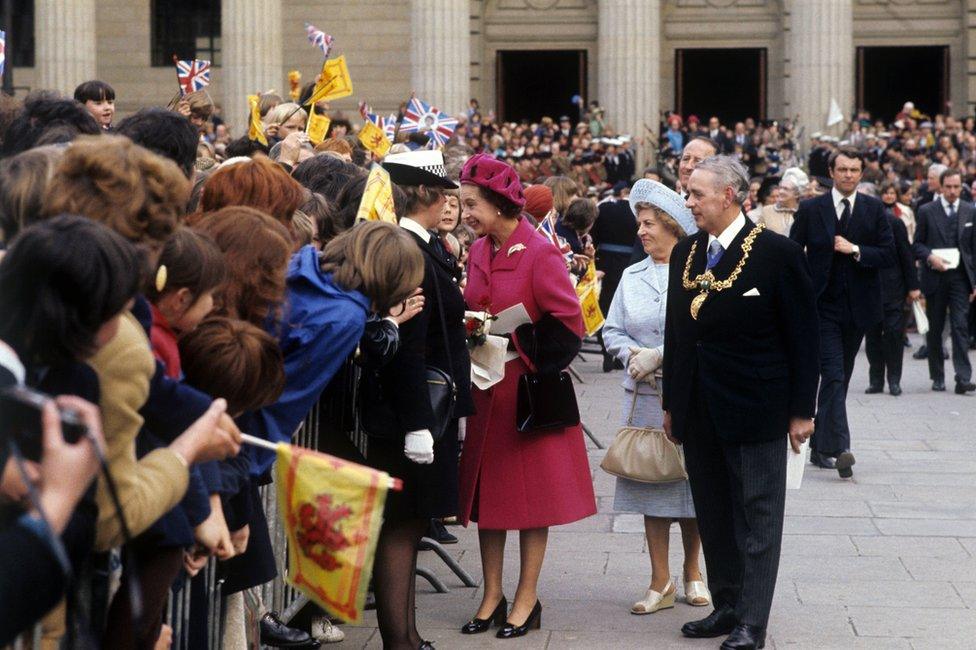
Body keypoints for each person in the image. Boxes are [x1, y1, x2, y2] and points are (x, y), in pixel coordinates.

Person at [663, 155, 819, 650]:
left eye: (696, 195)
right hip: (698, 407)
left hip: (756, 405)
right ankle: (726, 603)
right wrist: (673, 402)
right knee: (712, 512)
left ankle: (753, 619)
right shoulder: (688, 251)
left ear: (729, 195)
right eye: (688, 194)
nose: (689, 204)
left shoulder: (777, 253)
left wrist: (801, 410)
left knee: (758, 516)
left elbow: (804, 338)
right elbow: (678, 332)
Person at [457, 153, 597, 639]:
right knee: (488, 499)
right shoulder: (476, 250)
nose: (466, 213)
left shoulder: (539, 252)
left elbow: (569, 328)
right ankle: (491, 594)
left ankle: (526, 596)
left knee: (529, 502)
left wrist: (515, 339)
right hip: (484, 392)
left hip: (524, 394)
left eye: (472, 204)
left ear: (499, 204)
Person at [356, 149, 473, 649]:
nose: (450, 198)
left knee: (410, 526)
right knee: (402, 528)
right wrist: (417, 423)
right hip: (414, 413)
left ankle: (408, 634)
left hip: (424, 410)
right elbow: (409, 347)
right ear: (423, 193)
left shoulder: (423, 245)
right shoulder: (408, 248)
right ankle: (399, 640)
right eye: (443, 190)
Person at [602, 179, 710, 615]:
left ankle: (694, 573)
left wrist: (660, 354)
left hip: (689, 392)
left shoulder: (698, 272)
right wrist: (632, 354)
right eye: (640, 224)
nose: (642, 231)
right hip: (644, 395)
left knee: (691, 484)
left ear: (671, 226)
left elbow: (701, 329)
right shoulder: (631, 275)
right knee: (653, 483)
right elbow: (611, 330)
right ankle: (659, 581)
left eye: (649, 224)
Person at [790, 147, 894, 479]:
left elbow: (888, 253)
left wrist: (856, 250)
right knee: (833, 373)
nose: (848, 175)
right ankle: (840, 449)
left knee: (842, 376)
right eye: (843, 169)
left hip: (858, 308)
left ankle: (820, 446)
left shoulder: (874, 209)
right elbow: (793, 252)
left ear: (862, 174)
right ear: (832, 173)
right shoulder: (811, 209)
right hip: (821, 306)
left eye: (854, 170)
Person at [912, 168, 976, 393]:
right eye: (948, 187)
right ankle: (937, 375)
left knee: (960, 326)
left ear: (961, 187)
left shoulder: (970, 211)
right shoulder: (927, 210)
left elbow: (973, 249)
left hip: (960, 278)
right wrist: (930, 257)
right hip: (935, 277)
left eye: (956, 187)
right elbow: (917, 244)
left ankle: (963, 376)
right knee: (936, 328)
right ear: (941, 186)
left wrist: (974, 282)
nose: (952, 191)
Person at [865, 202, 920, 395]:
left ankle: (894, 380)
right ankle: (876, 380)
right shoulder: (859, 224)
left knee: (893, 335)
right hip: (868, 289)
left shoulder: (894, 223)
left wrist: (913, 286)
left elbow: (906, 254)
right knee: (872, 337)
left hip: (893, 288)